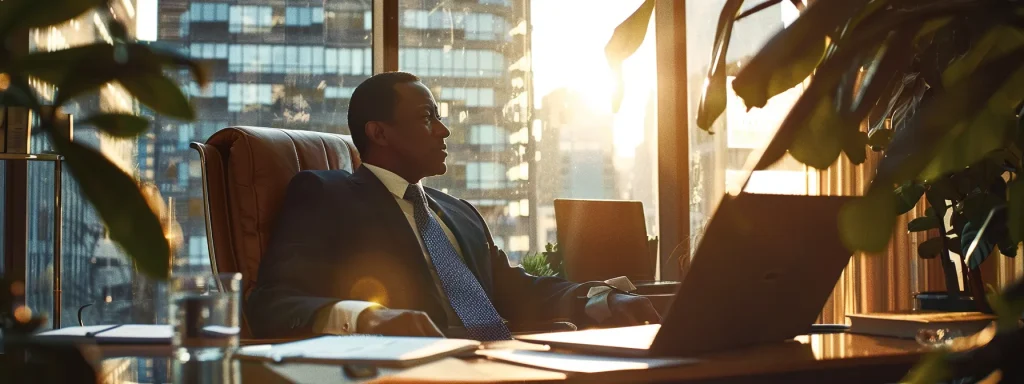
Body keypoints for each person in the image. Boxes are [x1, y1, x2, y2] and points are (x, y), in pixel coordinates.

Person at [246, 71, 660, 341]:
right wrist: (368, 318)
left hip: (505, 359)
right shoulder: (325, 194)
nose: (443, 131)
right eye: (427, 117)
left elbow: (514, 288)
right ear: (379, 133)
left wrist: (600, 298)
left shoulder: (459, 212)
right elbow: (272, 303)